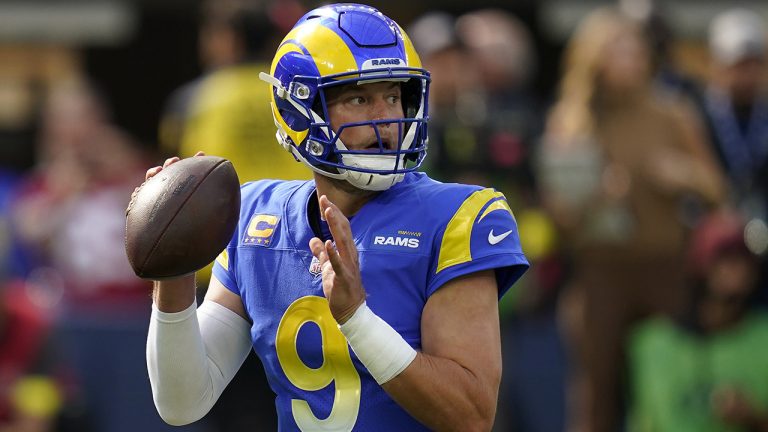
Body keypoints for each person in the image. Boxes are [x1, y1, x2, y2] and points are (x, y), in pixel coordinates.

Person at [144, 4, 529, 431]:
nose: (386, 120)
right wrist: (174, 269)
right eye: (359, 98)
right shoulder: (256, 216)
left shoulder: (459, 216)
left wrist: (357, 320)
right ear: (298, 111)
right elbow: (182, 402)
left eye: (393, 96)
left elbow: (471, 416)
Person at [538, 8, 725, 432]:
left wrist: (683, 175)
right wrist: (595, 199)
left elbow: (718, 191)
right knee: (595, 399)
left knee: (669, 391)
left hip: (666, 271)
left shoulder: (673, 114)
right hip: (598, 276)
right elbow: (557, 219)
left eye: (636, 53)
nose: (632, 62)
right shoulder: (571, 123)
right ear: (594, 60)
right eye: (619, 53)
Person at [628, 210, 768, 431]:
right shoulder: (652, 344)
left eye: (745, 255)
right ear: (701, 263)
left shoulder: (763, 336)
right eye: (726, 254)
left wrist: (753, 418)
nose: (738, 266)